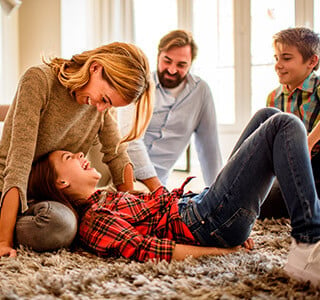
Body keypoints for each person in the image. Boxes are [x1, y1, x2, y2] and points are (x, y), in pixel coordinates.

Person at [28, 107, 320, 286]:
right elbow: (152, 250)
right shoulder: (94, 219)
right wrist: (225, 252)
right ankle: (308, 242)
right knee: (284, 124)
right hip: (207, 222)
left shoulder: (106, 198)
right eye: (69, 156)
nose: (80, 154)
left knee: (266, 116)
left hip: (202, 207)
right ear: (62, 182)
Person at [0, 42, 153, 257]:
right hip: (9, 189)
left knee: (66, 222)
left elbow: (116, 153)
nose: (101, 108)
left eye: (108, 105)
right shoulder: (39, 80)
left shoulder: (98, 108)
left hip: (53, 197)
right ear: (95, 68)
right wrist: (4, 242)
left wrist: (129, 209)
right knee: (58, 224)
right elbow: (18, 165)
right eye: (104, 99)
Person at [113, 29, 222, 191]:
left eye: (181, 65)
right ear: (158, 56)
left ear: (191, 63)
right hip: (126, 176)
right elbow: (129, 139)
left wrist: (216, 192)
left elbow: (209, 148)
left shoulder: (201, 92)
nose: (172, 70)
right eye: (167, 61)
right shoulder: (140, 85)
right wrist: (157, 189)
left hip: (158, 185)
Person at [259, 27, 320, 219]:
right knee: (264, 205)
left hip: (317, 161)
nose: (278, 65)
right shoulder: (273, 98)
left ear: (311, 61)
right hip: (293, 169)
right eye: (276, 58)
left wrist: (308, 144)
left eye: (286, 58)